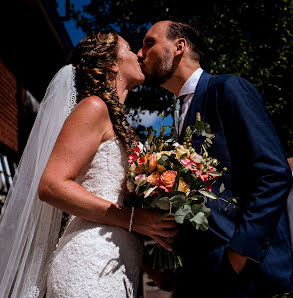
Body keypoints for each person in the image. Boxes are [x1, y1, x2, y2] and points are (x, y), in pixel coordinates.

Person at [0, 31, 177, 297]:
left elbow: (119, 208)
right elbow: (51, 185)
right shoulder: (93, 108)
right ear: (112, 64)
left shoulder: (121, 126)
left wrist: (154, 270)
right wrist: (133, 219)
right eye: (130, 49)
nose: (139, 54)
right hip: (88, 266)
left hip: (118, 268)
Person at [137, 19, 293, 297]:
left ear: (179, 47)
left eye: (149, 43)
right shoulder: (178, 113)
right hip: (198, 272)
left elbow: (274, 172)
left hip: (240, 273)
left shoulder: (227, 89)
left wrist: (239, 254)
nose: (140, 54)